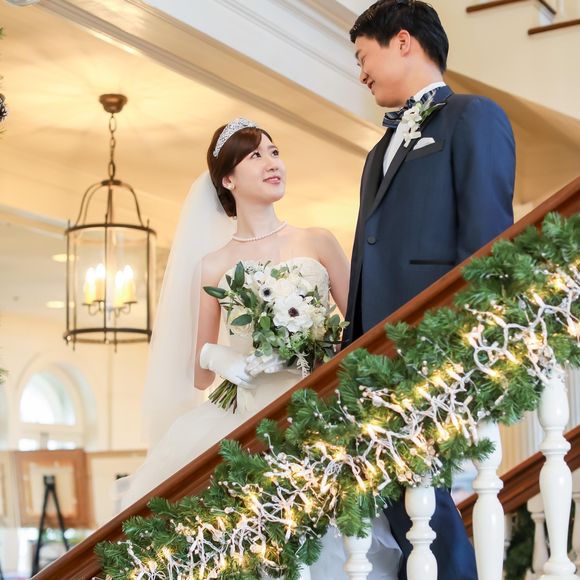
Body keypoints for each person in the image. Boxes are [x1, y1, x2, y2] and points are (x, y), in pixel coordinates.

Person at [118, 118, 401, 579]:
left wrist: (317, 353)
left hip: (316, 409)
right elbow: (200, 372)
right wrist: (221, 357)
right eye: (255, 156)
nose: (273, 163)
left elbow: (362, 330)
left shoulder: (317, 240)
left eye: (274, 152)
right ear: (228, 180)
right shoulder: (214, 265)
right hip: (246, 416)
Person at [345, 1, 515, 579]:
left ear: (402, 41)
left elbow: (486, 239)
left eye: (363, 56)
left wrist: (466, 341)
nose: (361, 73)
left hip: (430, 345)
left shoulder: (473, 117)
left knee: (426, 499)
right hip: (372, 356)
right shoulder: (377, 151)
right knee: (399, 503)